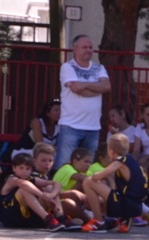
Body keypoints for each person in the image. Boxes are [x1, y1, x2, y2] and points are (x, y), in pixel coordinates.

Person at [81, 133, 149, 233]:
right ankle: (123, 219)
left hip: (127, 204)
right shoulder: (130, 159)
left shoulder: (119, 162)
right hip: (136, 203)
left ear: (111, 150)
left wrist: (95, 175)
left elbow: (96, 176)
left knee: (88, 181)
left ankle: (99, 222)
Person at [56, 35, 111, 169]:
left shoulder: (99, 68)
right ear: (75, 49)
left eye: (90, 47)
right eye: (84, 47)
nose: (88, 50)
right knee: (65, 166)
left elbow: (107, 87)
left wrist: (84, 84)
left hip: (93, 127)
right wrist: (97, 88)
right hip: (71, 125)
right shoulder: (68, 67)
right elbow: (77, 90)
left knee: (87, 168)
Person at [0, 153, 67, 231]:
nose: (24, 171)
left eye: (27, 169)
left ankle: (61, 217)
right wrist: (42, 195)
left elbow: (57, 184)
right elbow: (24, 184)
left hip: (27, 218)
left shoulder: (31, 178)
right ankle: (48, 219)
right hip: (10, 217)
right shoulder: (12, 179)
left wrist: (51, 195)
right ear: (14, 168)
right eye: (21, 168)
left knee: (49, 187)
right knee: (24, 189)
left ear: (31, 170)